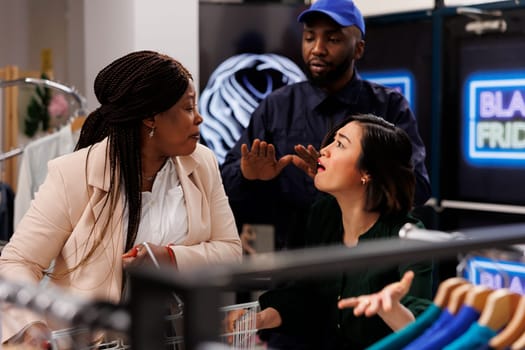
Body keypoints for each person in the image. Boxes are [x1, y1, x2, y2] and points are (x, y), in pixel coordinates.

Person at [0, 50, 242, 348]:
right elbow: (19, 260)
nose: (199, 118)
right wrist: (31, 327)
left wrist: (169, 257)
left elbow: (230, 251)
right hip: (95, 340)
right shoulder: (74, 174)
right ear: (151, 118)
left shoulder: (202, 164)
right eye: (188, 108)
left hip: (178, 336)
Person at [220, 0, 431, 250]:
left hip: (366, 257)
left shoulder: (389, 106)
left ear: (358, 49)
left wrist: (351, 180)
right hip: (295, 258)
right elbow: (226, 185)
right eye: (309, 38)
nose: (317, 49)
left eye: (332, 39)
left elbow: (416, 185)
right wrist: (248, 175)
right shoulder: (277, 106)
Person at [228, 114, 433, 349]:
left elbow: (423, 329)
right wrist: (260, 319)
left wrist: (391, 309)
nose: (323, 150)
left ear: (368, 172)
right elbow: (306, 295)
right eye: (331, 141)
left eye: (340, 144)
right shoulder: (323, 214)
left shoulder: (408, 236)